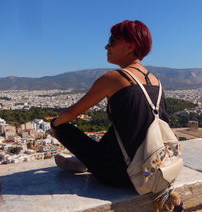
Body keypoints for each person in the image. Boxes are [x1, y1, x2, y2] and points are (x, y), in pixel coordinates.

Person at [50, 20, 170, 188]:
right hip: (154, 168)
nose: (106, 47)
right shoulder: (156, 80)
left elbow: (72, 113)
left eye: (112, 41)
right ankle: (86, 162)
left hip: (122, 174)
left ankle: (87, 162)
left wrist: (54, 124)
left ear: (129, 46)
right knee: (123, 124)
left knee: (61, 126)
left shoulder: (114, 78)